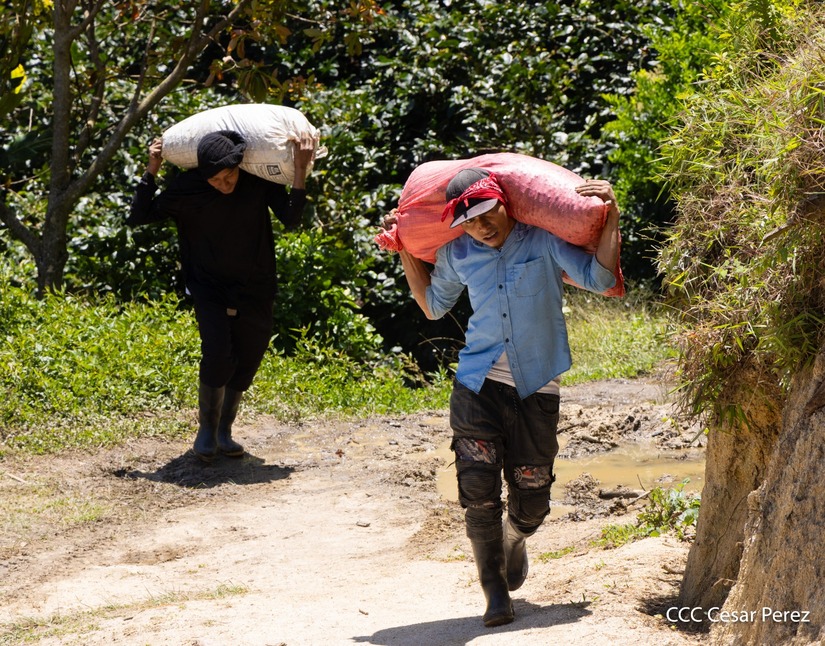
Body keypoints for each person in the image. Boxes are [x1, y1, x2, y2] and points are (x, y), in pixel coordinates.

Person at [383, 168, 620, 627]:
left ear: (503, 203)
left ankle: (515, 537)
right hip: (476, 386)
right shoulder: (457, 254)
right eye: (470, 220)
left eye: (488, 212)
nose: (482, 226)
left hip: (535, 386)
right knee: (478, 491)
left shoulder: (543, 241)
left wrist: (611, 216)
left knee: (532, 498)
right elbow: (434, 306)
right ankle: (494, 593)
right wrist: (405, 253)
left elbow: (599, 276)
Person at [128, 129, 315, 462]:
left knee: (250, 355)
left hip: (255, 285)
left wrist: (299, 170)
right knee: (217, 353)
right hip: (208, 285)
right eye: (215, 180)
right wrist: (151, 169)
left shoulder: (256, 181)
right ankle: (206, 431)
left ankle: (225, 431)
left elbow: (290, 218)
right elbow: (139, 217)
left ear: (239, 167)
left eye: (229, 177)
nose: (224, 185)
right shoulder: (188, 189)